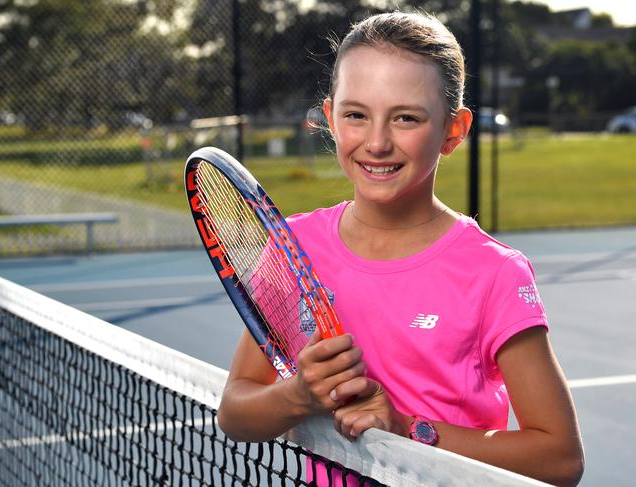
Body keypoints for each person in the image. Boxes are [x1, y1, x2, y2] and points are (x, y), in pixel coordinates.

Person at [217, 11, 584, 486]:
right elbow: (235, 412)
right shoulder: (293, 249)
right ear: (330, 118)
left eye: (406, 118)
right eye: (356, 115)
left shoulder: (494, 272)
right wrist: (298, 397)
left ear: (453, 131)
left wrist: (408, 430)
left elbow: (560, 458)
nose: (377, 142)